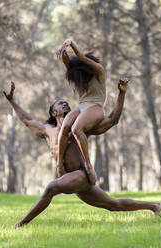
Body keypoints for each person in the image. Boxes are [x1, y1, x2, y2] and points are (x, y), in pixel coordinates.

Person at [3, 78, 161, 228]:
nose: (65, 104)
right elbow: (26, 120)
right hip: (72, 180)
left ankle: (20, 225)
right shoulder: (47, 131)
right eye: (60, 104)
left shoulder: (79, 127)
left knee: (51, 188)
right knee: (113, 205)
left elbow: (113, 119)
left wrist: (121, 93)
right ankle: (154, 206)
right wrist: (11, 101)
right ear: (53, 113)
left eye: (66, 103)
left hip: (82, 174)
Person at [55, 39, 106, 185]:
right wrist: (62, 50)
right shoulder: (79, 76)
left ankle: (89, 166)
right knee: (65, 127)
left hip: (95, 107)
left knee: (77, 129)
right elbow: (67, 62)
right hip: (81, 106)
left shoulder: (99, 72)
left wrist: (71, 43)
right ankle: (59, 165)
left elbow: (82, 58)